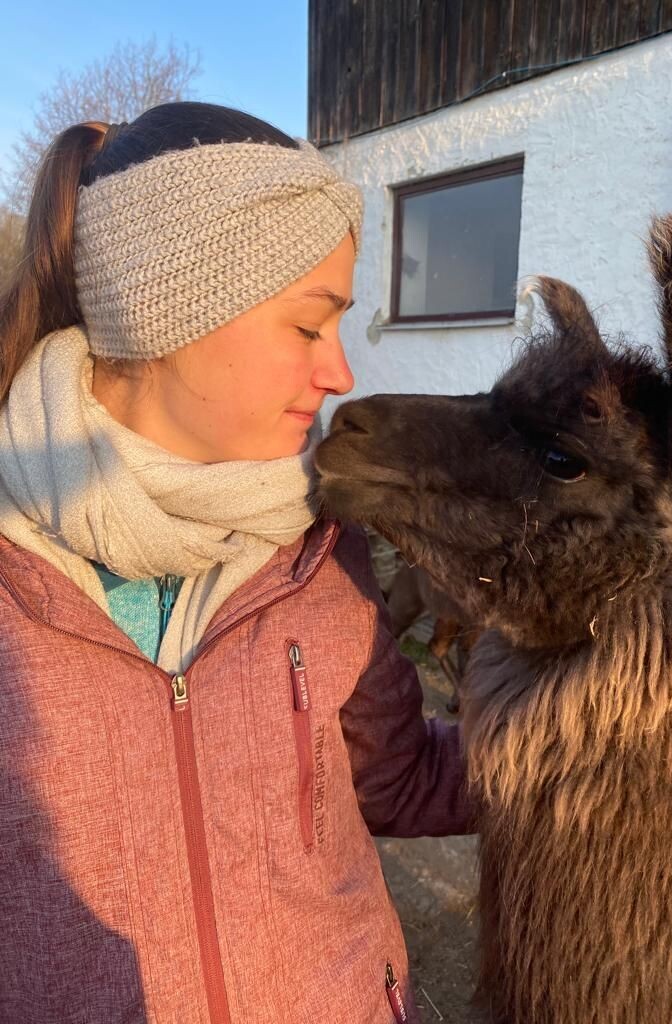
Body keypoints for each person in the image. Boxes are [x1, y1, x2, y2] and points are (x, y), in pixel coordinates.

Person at [0, 101, 471, 1024]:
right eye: (308, 326)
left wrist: (599, 752)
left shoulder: (322, 550)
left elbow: (399, 778)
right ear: (165, 310)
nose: (340, 373)